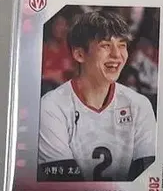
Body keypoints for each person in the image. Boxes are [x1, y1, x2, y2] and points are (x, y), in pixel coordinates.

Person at [38, 10, 156, 181]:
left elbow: (148, 181)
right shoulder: (52, 106)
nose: (117, 55)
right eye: (105, 45)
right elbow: (64, 185)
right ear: (79, 54)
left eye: (122, 45)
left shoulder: (139, 105)